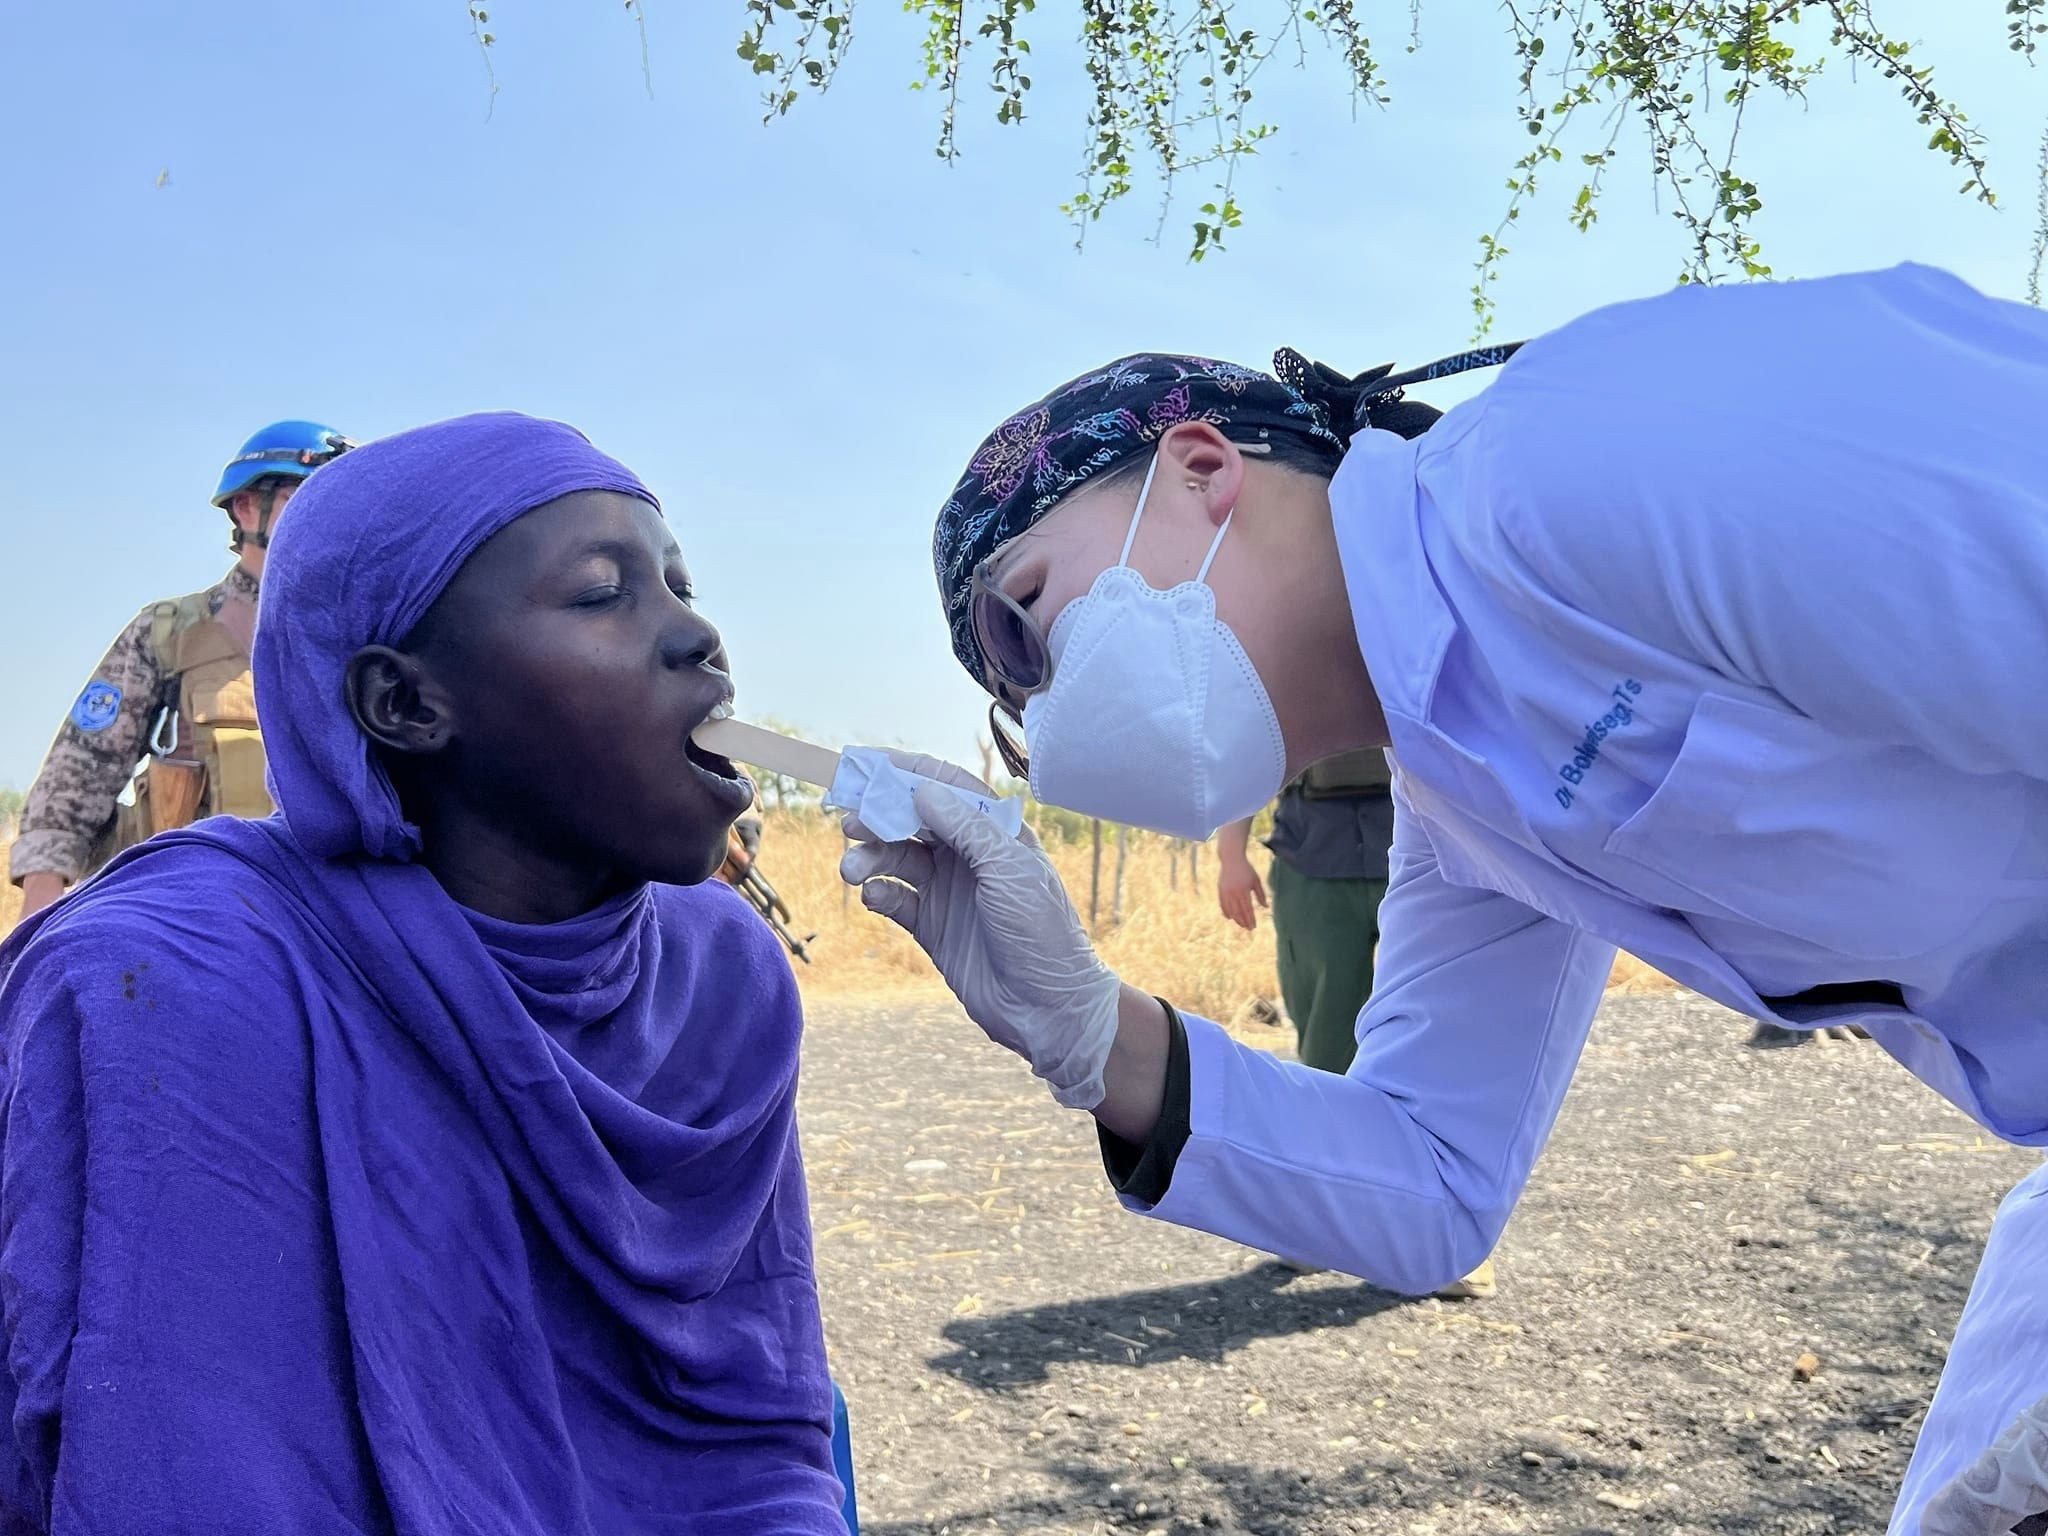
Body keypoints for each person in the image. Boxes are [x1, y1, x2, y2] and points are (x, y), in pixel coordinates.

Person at [842, 265, 2048, 1536]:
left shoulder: (1586, 456)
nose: (1049, 718)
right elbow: (1431, 1182)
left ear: (1199, 469)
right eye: (1012, 706)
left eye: (1024, 625)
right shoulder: (1462, 794)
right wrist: (1084, 1030)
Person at [0, 413, 847, 1533]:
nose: (698, 632)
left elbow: (760, 1403)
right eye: (603, 593)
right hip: (285, 939)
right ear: (400, 702)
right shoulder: (174, 980)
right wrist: (59, 923)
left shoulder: (716, 977)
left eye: (679, 586)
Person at [8, 420, 352, 922]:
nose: (324, 517)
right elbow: (78, 773)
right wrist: (40, 904)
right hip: (188, 908)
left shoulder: (364, 636)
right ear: (247, 507)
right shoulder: (168, 632)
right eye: (303, 497)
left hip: (327, 909)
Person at [1219, 758, 1496, 1299]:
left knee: (1440, 1048)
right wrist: (1231, 853)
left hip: (1429, 848)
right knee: (1325, 1052)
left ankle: (1454, 1243)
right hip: (1314, 859)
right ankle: (1317, 1226)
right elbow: (1256, 740)